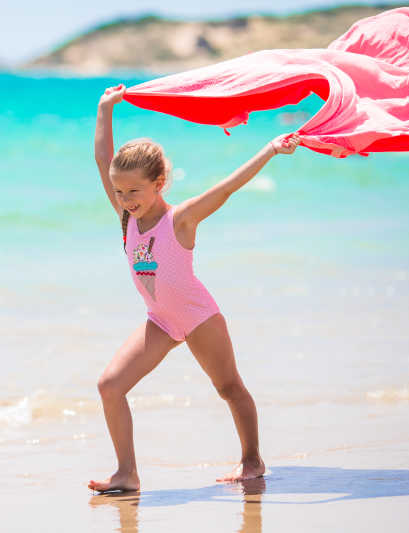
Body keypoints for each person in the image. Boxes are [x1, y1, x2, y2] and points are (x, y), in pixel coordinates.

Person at [88, 83, 300, 493]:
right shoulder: (127, 218)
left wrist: (271, 149)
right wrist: (104, 107)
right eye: (119, 191)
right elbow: (102, 159)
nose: (126, 199)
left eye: (134, 191)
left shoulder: (180, 220)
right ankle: (127, 473)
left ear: (160, 182)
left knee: (229, 387)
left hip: (198, 315)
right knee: (109, 386)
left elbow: (228, 186)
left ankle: (252, 461)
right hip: (160, 320)